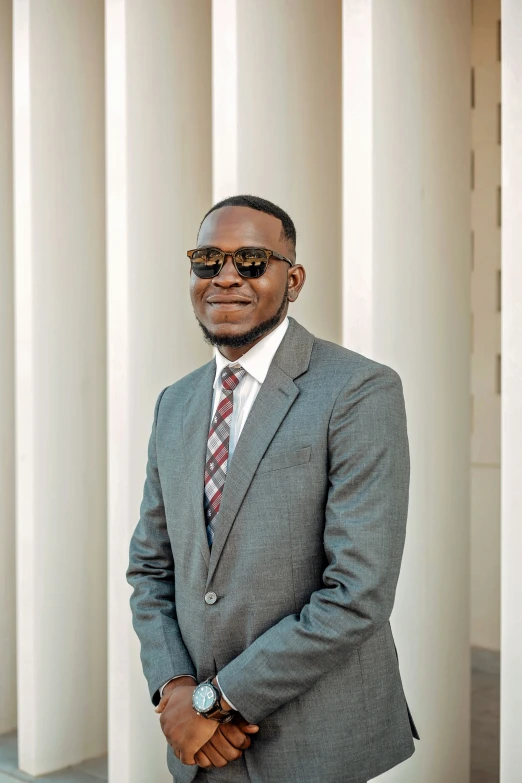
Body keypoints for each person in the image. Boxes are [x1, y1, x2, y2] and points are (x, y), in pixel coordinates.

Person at [126, 194, 420, 783]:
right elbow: (151, 568)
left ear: (295, 279)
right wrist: (175, 689)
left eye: (253, 261)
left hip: (316, 743)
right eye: (207, 261)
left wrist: (214, 701)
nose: (226, 277)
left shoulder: (359, 391)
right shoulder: (175, 403)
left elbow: (357, 592)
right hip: (200, 751)